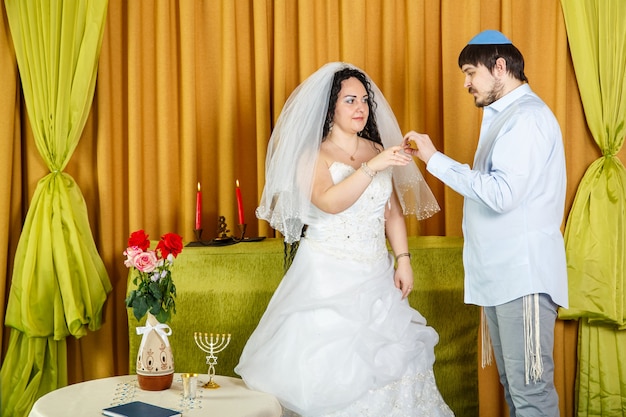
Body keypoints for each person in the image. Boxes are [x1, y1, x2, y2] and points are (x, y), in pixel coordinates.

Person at [235, 62, 453, 417]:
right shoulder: (313, 155)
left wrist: (403, 259)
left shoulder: (375, 148)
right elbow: (330, 202)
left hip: (376, 274)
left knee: (393, 360)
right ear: (331, 108)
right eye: (350, 100)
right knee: (331, 368)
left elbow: (392, 213)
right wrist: (373, 167)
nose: (360, 108)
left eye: (364, 100)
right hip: (326, 274)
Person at [403, 30, 568, 417]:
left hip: (522, 277)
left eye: (469, 73)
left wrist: (434, 159)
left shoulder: (526, 118)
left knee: (531, 392)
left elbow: (501, 194)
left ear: (499, 67)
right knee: (516, 389)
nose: (465, 84)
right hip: (503, 278)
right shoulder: (506, 116)